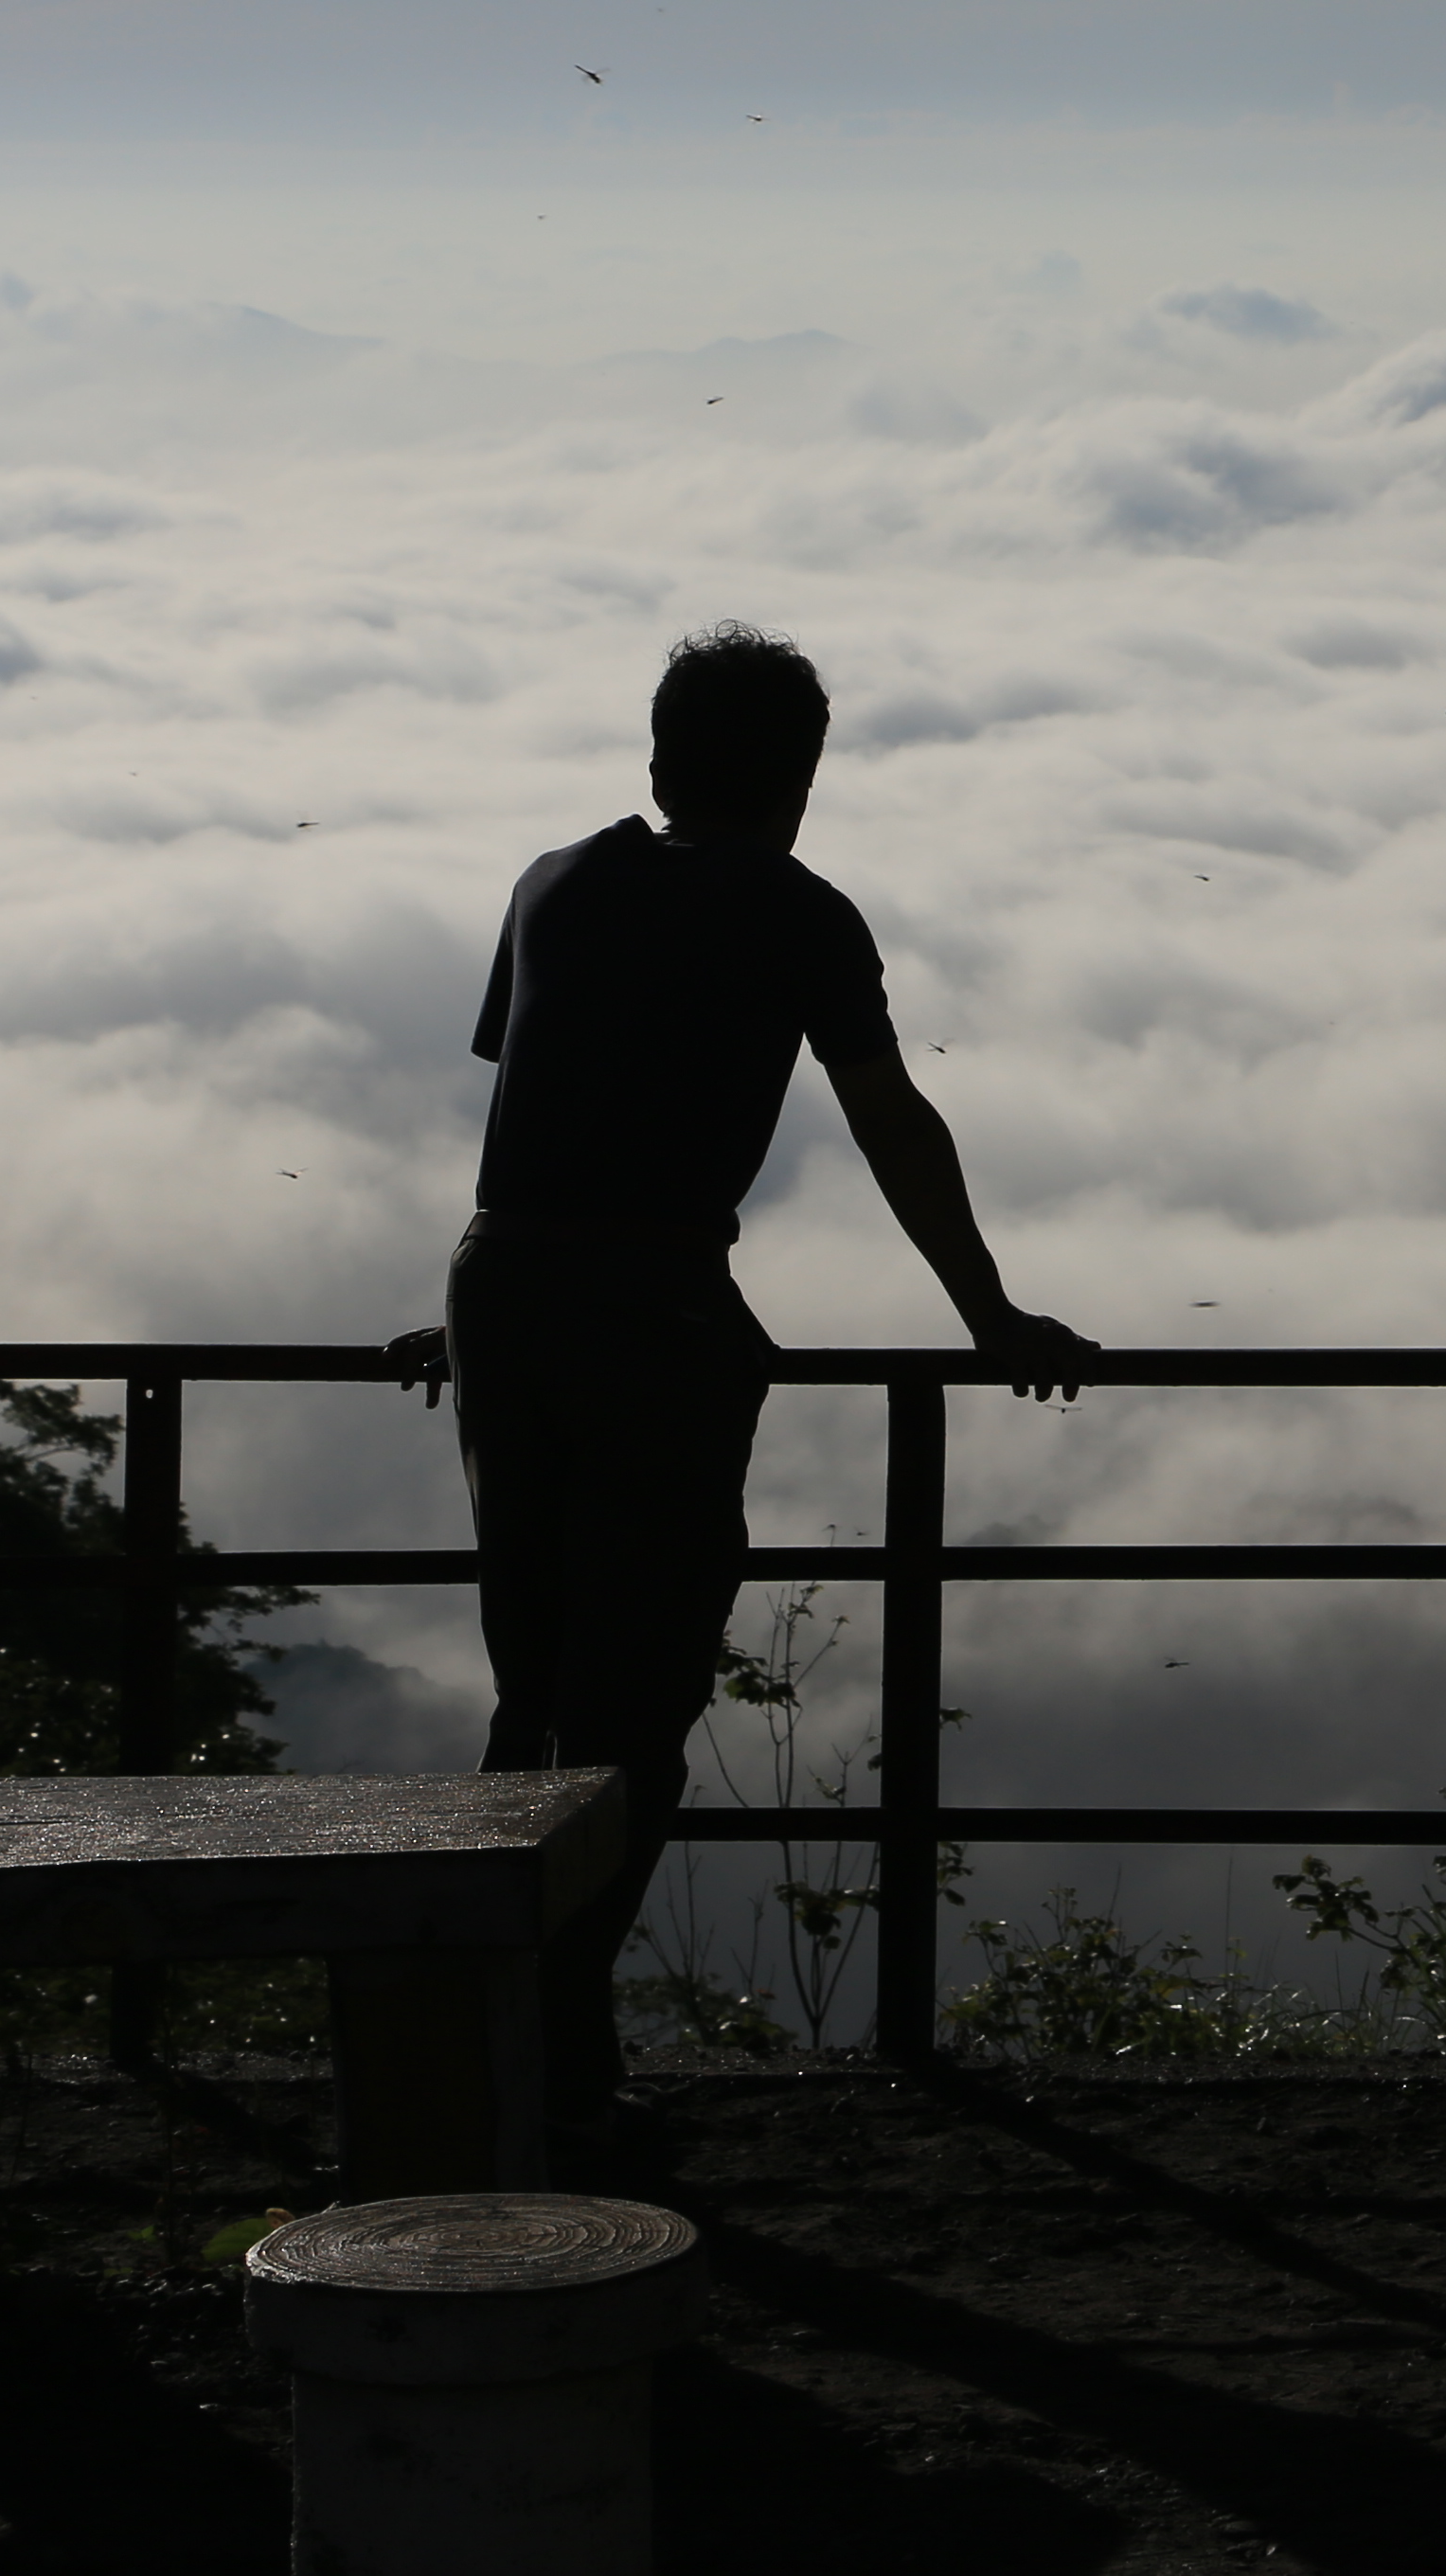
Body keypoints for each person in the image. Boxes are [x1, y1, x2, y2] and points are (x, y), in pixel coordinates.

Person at [404, 622, 1092, 2154]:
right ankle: (557, 2056)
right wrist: (989, 1315)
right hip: (647, 1304)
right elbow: (888, 1121)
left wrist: (474, 1311)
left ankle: (490, 2041)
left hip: (500, 1285)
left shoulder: (553, 881)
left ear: (654, 758)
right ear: (802, 777)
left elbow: (544, 1096)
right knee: (635, 1701)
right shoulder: (797, 914)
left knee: (535, 1685)